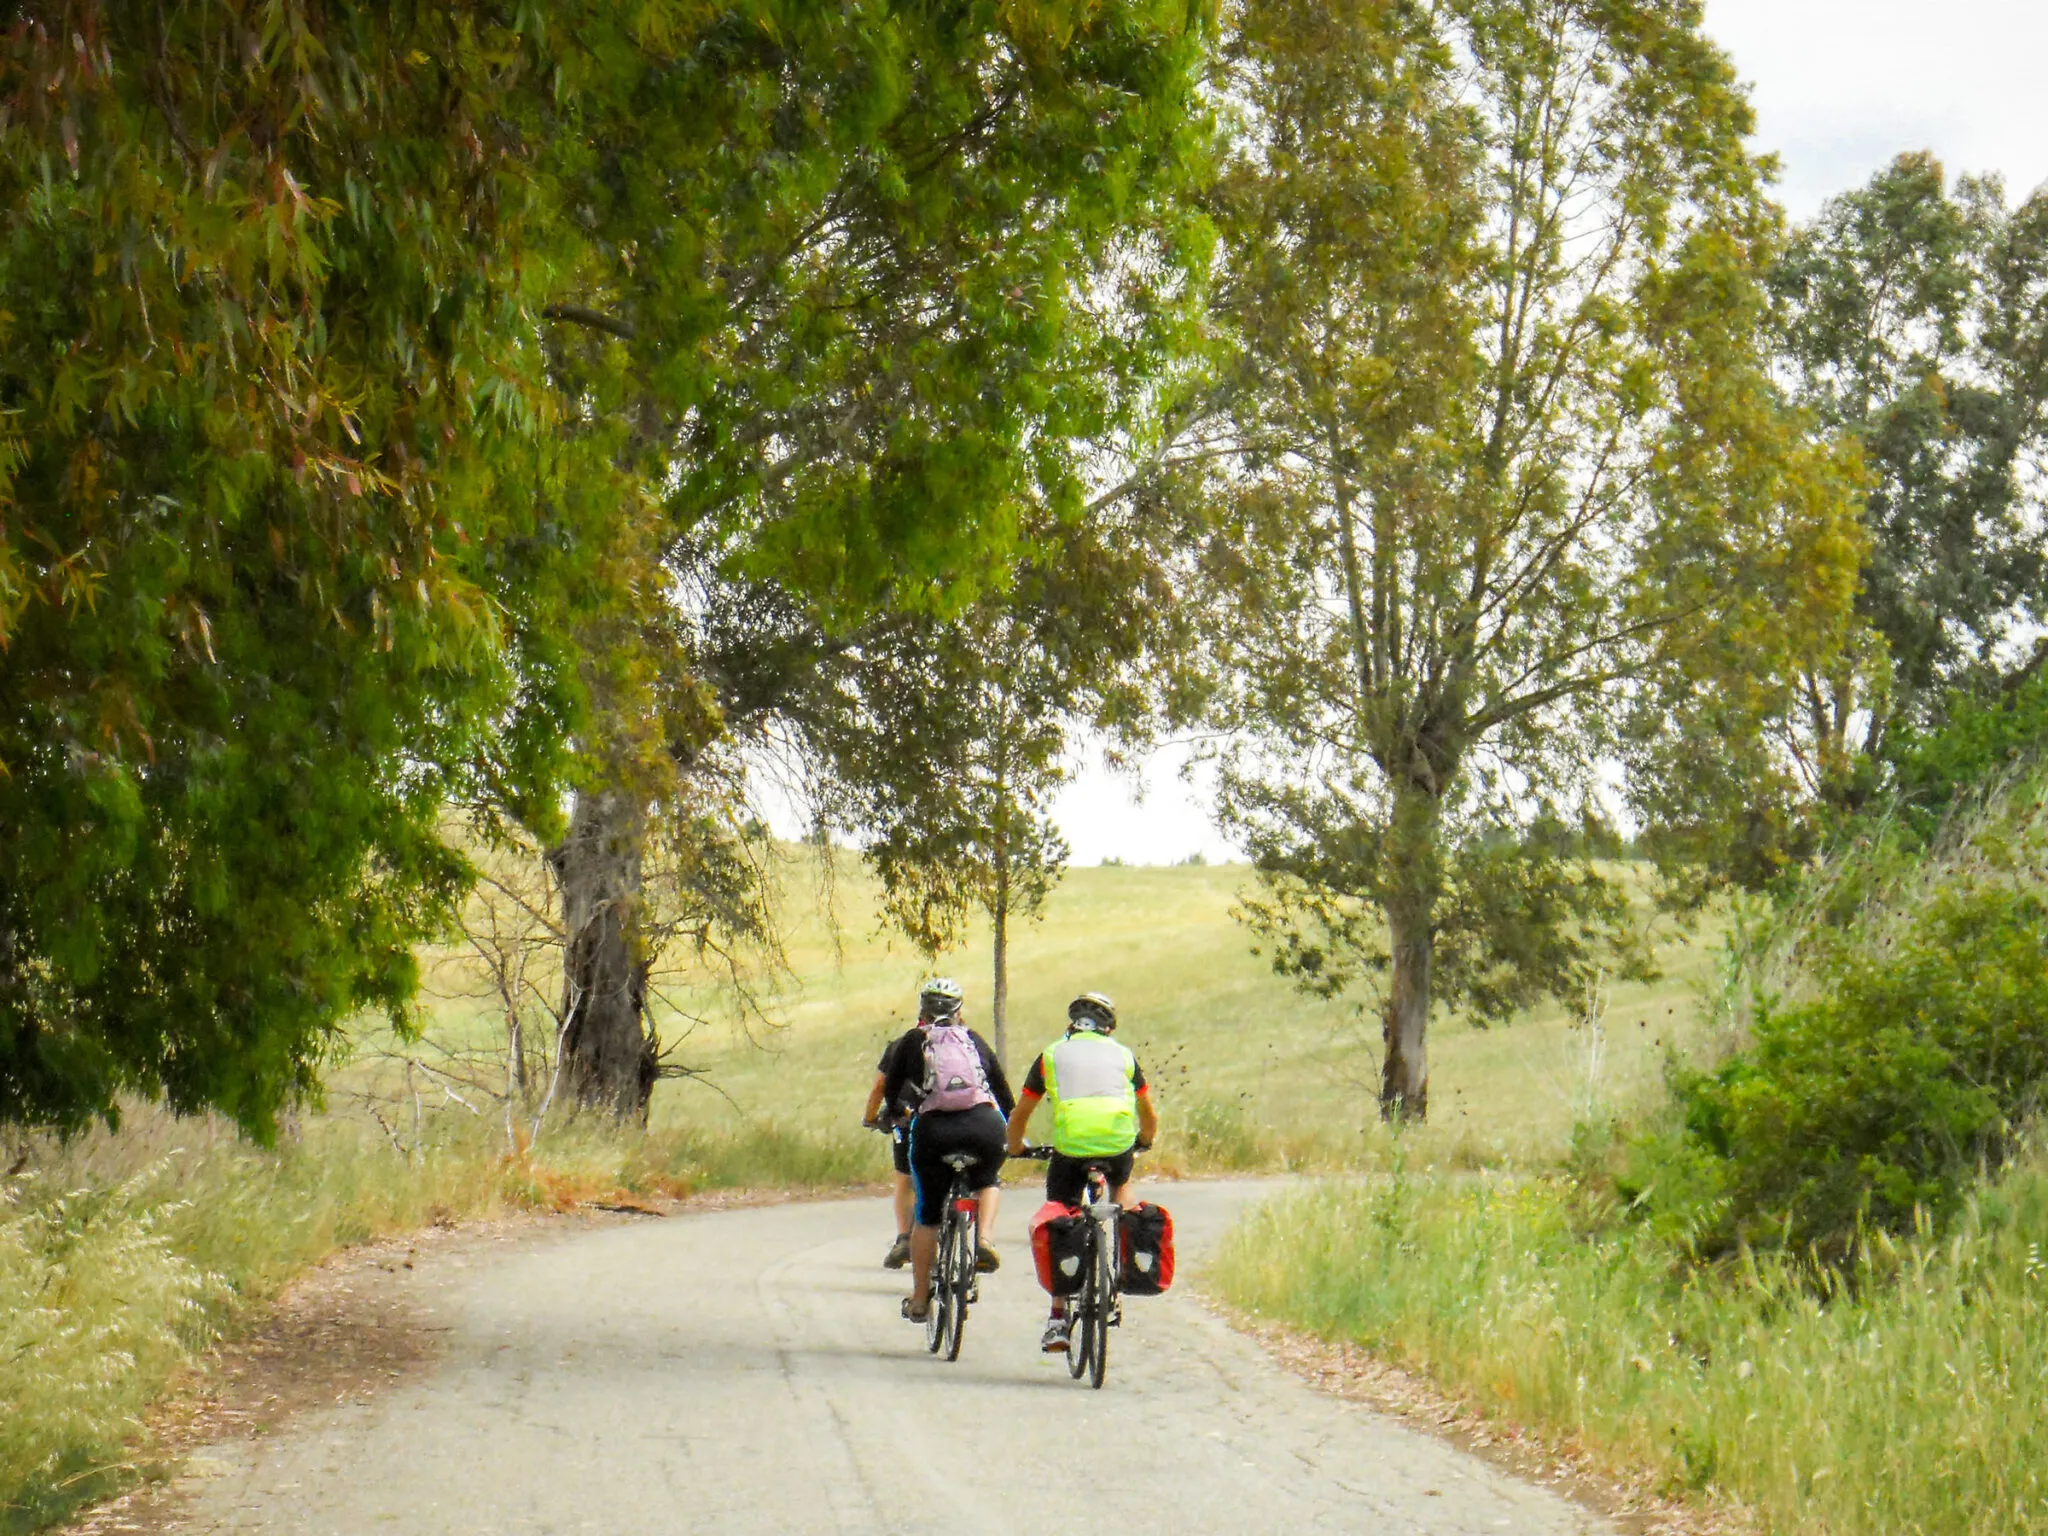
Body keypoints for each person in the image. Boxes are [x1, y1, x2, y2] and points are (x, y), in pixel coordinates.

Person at [1004, 990, 1158, 1353]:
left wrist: (1016, 1147)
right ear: (1109, 1026)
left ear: (1071, 1024)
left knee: (1061, 1211)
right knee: (1122, 1188)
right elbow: (1148, 1113)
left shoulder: (1052, 1055)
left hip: (1071, 1149)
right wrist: (1144, 1140)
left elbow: (1021, 1113)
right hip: (1118, 1144)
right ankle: (1119, 1274)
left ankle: (1058, 1317)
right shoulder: (1124, 1055)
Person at [874, 977, 1016, 1324]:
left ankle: (921, 1298)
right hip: (984, 1127)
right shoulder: (973, 1040)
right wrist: (1010, 1131)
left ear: (922, 1008)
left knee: (927, 1216)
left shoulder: (911, 1041)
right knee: (988, 1180)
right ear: (959, 1010)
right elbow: (1003, 1094)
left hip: (935, 1131)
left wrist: (892, 1115)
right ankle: (983, 1238)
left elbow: (891, 1092)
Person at [861, 986, 938, 1269]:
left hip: (907, 1117)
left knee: (905, 1179)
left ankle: (906, 1237)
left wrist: (870, 1118)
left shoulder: (900, 1044)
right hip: (958, 1119)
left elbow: (880, 1086)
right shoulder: (964, 1042)